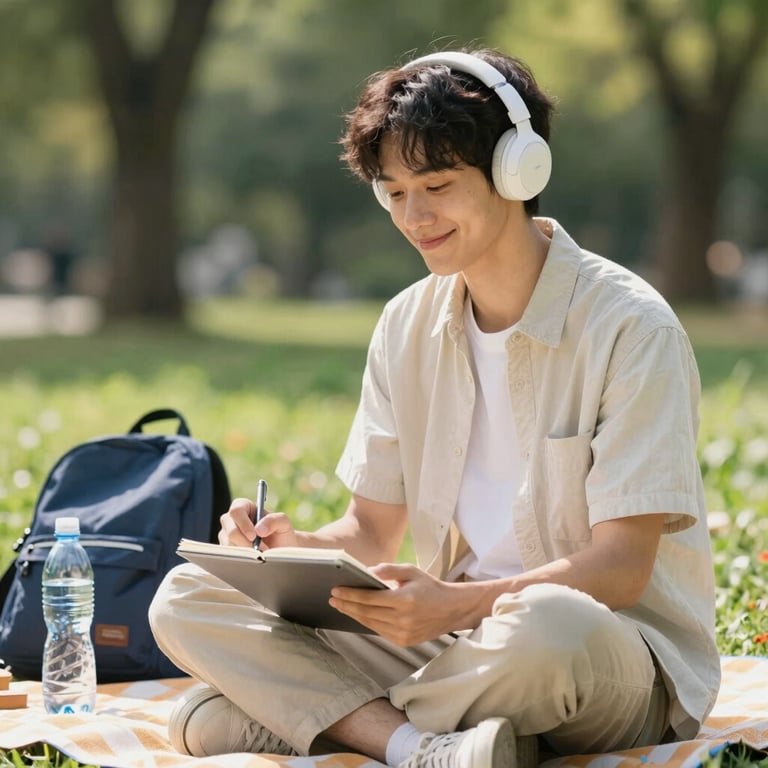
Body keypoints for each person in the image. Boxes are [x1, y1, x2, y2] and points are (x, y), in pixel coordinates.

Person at [149, 46, 720, 768]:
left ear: (519, 169)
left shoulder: (632, 327)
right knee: (186, 595)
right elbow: (370, 532)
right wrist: (290, 550)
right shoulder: (404, 324)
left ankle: (335, 718)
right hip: (453, 641)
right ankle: (428, 746)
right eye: (392, 193)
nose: (414, 216)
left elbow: (620, 569)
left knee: (214, 721)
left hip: (597, 648)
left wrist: (459, 606)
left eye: (437, 185)